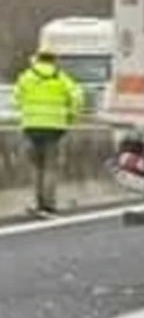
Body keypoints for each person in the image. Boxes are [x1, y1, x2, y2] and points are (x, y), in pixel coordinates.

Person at [11, 49, 84, 215]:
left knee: (37, 167)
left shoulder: (26, 77)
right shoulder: (61, 78)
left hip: (31, 127)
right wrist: (70, 116)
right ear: (54, 60)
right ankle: (49, 205)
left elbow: (15, 98)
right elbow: (78, 97)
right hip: (55, 128)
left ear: (37, 59)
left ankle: (38, 203)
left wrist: (28, 112)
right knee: (50, 167)